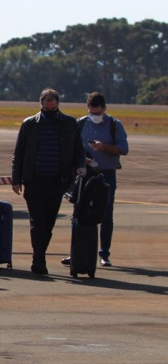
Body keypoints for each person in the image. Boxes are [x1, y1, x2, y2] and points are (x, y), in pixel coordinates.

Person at [12, 88, 86, 275]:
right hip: (34, 180)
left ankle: (39, 255)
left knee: (49, 222)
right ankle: (39, 260)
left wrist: (80, 166)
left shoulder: (69, 124)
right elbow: (19, 154)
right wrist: (16, 179)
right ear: (41, 106)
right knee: (37, 222)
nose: (50, 113)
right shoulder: (29, 124)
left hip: (57, 181)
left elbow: (79, 150)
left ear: (58, 105)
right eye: (47, 110)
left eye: (53, 109)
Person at [61, 92, 128, 268]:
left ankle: (104, 254)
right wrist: (83, 159)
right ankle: (75, 252)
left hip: (106, 173)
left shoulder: (115, 125)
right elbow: (71, 147)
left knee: (106, 213)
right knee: (78, 212)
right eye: (92, 113)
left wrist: (104, 147)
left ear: (105, 109)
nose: (95, 116)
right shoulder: (81, 123)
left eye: (98, 113)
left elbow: (124, 148)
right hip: (85, 172)